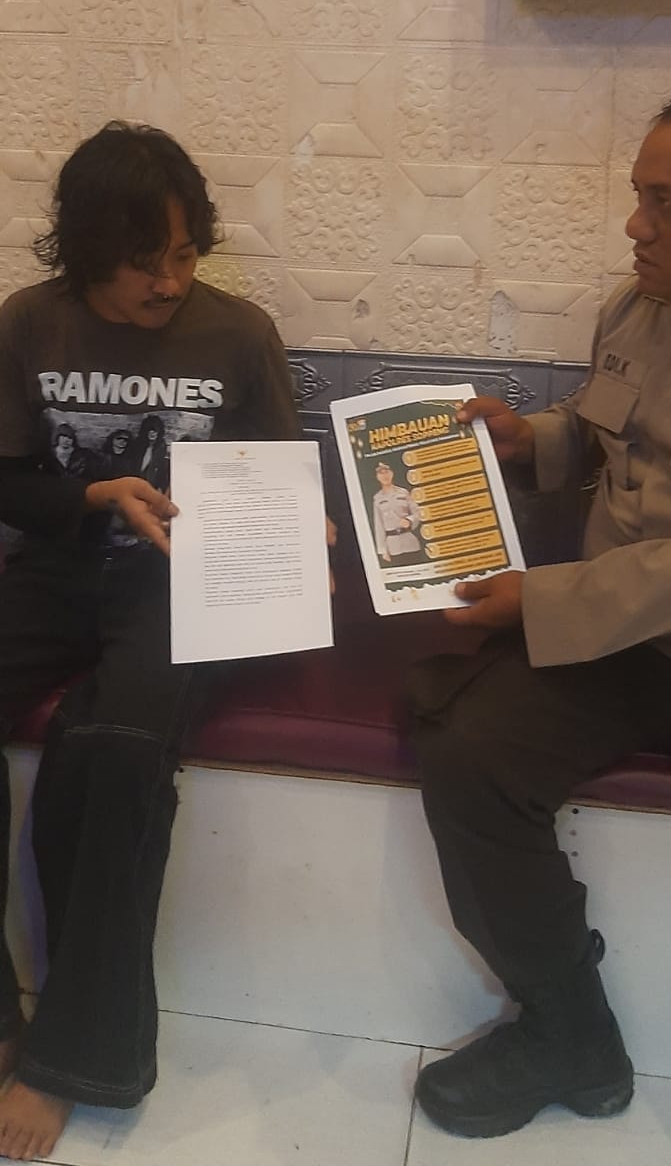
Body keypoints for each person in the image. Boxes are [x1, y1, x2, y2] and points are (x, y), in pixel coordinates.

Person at [411, 82, 671, 1140]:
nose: (634, 226)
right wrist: (529, 441)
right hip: (613, 637)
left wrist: (538, 601)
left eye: (664, 203)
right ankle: (568, 1033)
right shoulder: (634, 307)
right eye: (637, 196)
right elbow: (608, 436)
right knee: (467, 755)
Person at [0, 121, 300, 1162]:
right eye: (142, 261)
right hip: (55, 570)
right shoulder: (29, 322)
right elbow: (8, 482)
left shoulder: (239, 334)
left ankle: (75, 1059)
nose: (169, 282)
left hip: (181, 584)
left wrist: (296, 538)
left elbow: (275, 481)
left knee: (116, 754)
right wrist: (92, 495)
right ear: (86, 251)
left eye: (183, 253)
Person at [372, 459, 422, 563]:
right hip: (393, 547)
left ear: (392, 473)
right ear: (377, 477)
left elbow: (417, 512)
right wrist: (383, 550)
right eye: (381, 473)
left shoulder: (403, 493)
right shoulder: (377, 499)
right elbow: (379, 526)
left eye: (386, 472)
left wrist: (409, 520)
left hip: (410, 543)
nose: (385, 476)